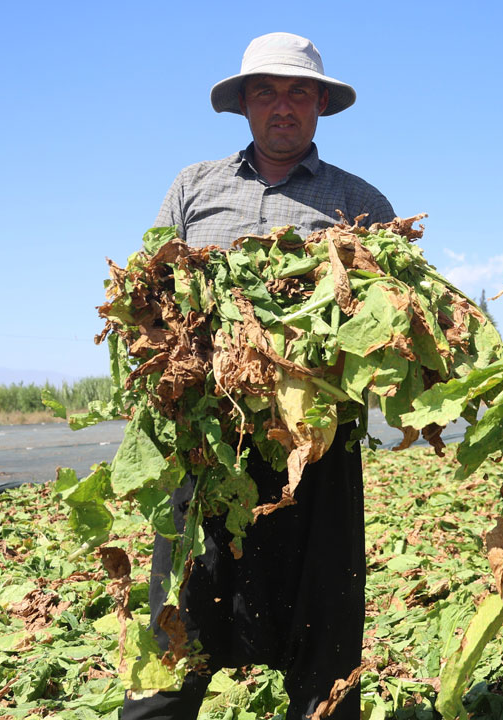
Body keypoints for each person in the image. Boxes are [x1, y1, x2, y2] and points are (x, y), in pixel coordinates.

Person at [121, 32, 394, 720]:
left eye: (299, 91)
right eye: (266, 92)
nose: (283, 106)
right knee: (180, 613)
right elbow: (149, 296)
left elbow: (394, 323)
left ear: (321, 104)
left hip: (315, 445)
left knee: (323, 618)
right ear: (243, 104)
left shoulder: (360, 200)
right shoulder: (194, 186)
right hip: (208, 441)